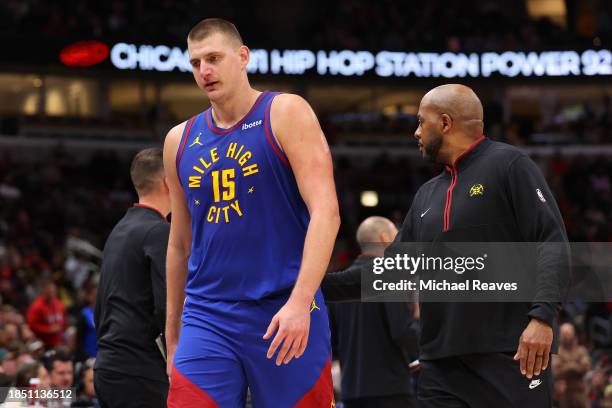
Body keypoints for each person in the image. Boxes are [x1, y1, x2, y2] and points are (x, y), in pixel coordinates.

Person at [163, 18, 340, 407]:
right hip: (207, 315)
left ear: (242, 57)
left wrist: (300, 301)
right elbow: (178, 245)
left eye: (213, 58)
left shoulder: (286, 112)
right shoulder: (179, 139)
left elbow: (326, 212)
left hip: (283, 308)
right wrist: (173, 335)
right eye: (195, 63)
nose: (204, 71)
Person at [395, 84, 569, 407]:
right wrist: (309, 286)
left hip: (510, 356)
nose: (415, 132)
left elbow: (553, 242)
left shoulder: (510, 165)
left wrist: (543, 318)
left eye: (421, 121)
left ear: (445, 124)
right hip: (440, 368)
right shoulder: (426, 195)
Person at [94, 148, 170, 408]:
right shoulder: (158, 232)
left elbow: (100, 305)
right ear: (169, 183)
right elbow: (166, 305)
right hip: (141, 371)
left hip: (107, 365)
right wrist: (178, 359)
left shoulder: (118, 230)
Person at [325, 216, 419, 408]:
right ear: (385, 238)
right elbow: (402, 331)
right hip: (390, 391)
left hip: (352, 391)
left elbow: (332, 342)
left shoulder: (340, 284)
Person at [26, 280, 67, 349]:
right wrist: (48, 329)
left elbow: (64, 322)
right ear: (44, 290)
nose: (51, 293)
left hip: (59, 343)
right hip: (44, 345)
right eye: (49, 290)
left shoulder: (59, 304)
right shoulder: (36, 307)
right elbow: (32, 326)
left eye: (53, 290)